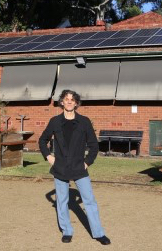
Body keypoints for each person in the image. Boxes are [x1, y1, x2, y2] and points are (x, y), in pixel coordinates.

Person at [39, 89, 111, 245]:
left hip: (79, 167)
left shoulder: (84, 121)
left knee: (89, 200)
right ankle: (67, 231)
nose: (69, 101)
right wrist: (49, 157)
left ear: (76, 103)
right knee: (62, 201)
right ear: (62, 102)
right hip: (60, 167)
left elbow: (93, 145)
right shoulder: (55, 121)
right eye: (66, 99)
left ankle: (98, 233)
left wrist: (87, 162)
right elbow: (42, 140)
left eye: (72, 99)